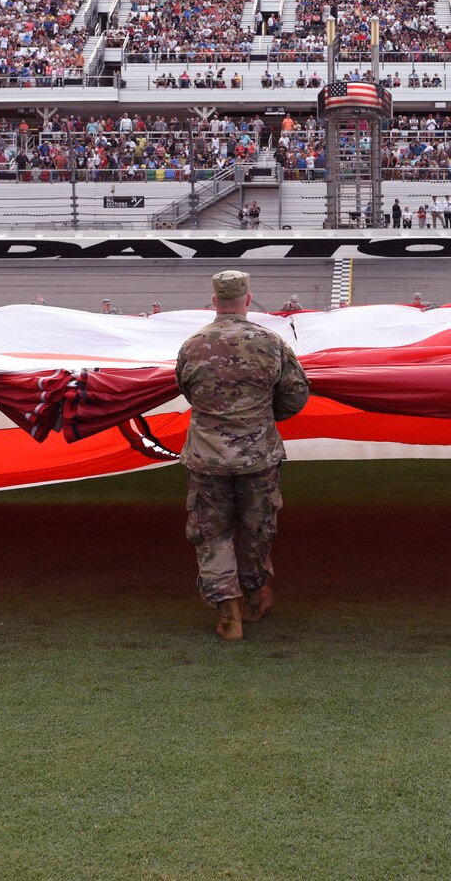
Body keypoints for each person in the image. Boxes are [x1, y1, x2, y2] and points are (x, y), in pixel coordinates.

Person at [174, 270, 311, 641]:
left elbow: (187, 390)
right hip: (258, 456)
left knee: (211, 534)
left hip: (207, 459)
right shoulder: (272, 343)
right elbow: (296, 394)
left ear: (215, 300)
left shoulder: (193, 345)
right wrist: (262, 416)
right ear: (248, 299)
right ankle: (253, 598)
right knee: (256, 531)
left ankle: (227, 612)